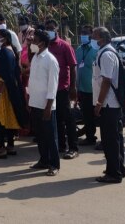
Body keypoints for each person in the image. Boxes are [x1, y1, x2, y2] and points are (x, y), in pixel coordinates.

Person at [92, 26, 125, 183]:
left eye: (94, 36)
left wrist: (99, 103)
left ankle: (114, 173)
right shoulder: (106, 52)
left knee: (110, 140)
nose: (92, 39)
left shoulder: (106, 54)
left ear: (101, 38)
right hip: (110, 104)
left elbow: (106, 81)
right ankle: (118, 168)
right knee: (114, 139)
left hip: (108, 104)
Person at [0, 29, 28, 159]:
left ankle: (1, 148)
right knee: (9, 118)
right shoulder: (11, 51)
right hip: (7, 90)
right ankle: (10, 145)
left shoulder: (5, 52)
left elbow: (6, 75)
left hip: (1, 91)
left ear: (5, 38)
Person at [28, 29, 61, 176]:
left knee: (50, 136)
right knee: (40, 135)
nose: (32, 42)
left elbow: (53, 86)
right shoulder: (35, 57)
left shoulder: (51, 60)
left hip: (46, 105)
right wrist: (29, 99)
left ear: (42, 43)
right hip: (35, 102)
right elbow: (33, 80)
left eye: (34, 40)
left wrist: (48, 106)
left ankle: (54, 164)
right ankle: (43, 160)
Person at [45, 19, 78, 160]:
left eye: (51, 28)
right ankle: (61, 145)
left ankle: (73, 148)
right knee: (57, 119)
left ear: (56, 29)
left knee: (68, 119)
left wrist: (72, 87)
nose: (49, 30)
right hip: (50, 89)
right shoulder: (45, 46)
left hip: (63, 88)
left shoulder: (64, 46)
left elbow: (72, 66)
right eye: (47, 28)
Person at [76, 24, 98, 146]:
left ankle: (100, 138)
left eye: (86, 33)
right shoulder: (79, 50)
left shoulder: (96, 50)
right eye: (82, 32)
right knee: (87, 115)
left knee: (97, 115)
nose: (83, 35)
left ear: (91, 35)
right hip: (82, 89)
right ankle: (90, 137)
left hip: (94, 89)